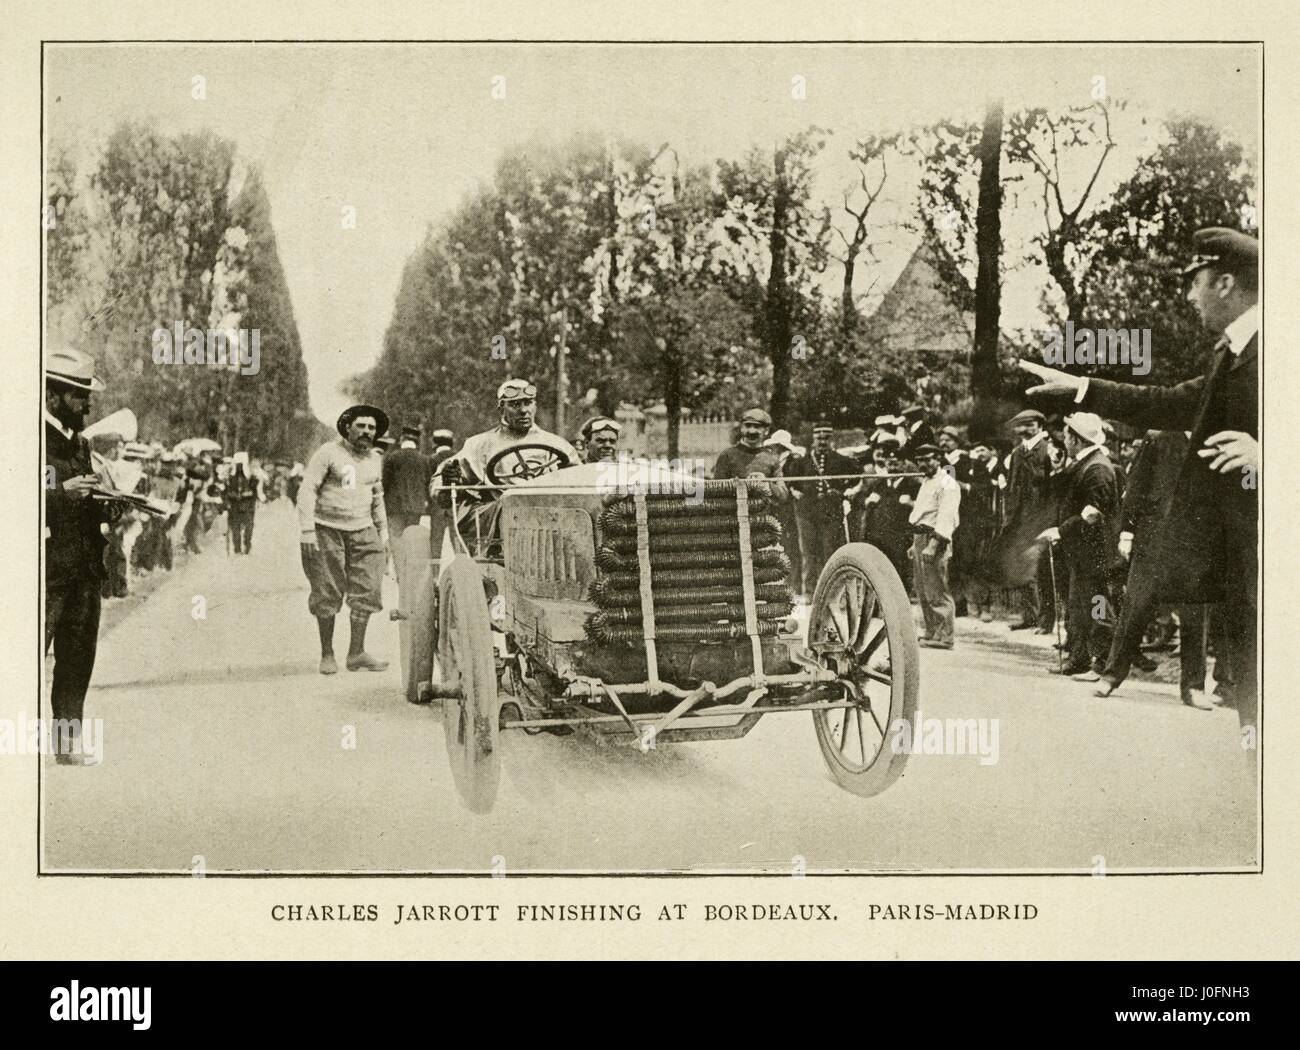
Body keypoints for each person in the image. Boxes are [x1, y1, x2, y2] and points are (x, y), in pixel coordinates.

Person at [1021, 226, 1258, 738]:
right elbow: (1167, 403)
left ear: (1224, 283)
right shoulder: (1231, 353)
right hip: (1238, 565)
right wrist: (1081, 388)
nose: (1188, 295)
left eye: (1194, 281)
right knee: (1257, 731)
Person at [44, 348, 119, 765]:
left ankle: (67, 744)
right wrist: (61, 494)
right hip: (45, 570)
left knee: (76, 660)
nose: (87, 406)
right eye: (78, 397)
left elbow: (84, 497)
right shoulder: (26, 436)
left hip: (84, 568)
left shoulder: (82, 443)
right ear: (52, 396)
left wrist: (110, 503)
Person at [1094, 430, 1207, 704]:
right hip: (1153, 537)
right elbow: (1136, 487)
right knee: (1136, 605)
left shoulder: (1215, 440)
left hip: (1197, 540)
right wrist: (1127, 532)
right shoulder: (1158, 439)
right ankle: (1111, 676)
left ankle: (1194, 688)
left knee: (1195, 614)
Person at [299, 404, 391, 675]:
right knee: (327, 590)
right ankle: (327, 654)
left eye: (371, 428)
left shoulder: (374, 458)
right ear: (348, 427)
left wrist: (382, 534)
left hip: (363, 530)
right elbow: (307, 489)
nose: (366, 432)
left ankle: (356, 653)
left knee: (369, 588)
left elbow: (377, 499)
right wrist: (307, 529)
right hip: (328, 529)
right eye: (361, 426)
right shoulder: (328, 453)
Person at [437, 380, 577, 555]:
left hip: (549, 515)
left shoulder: (557, 445)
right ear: (501, 408)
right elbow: (442, 483)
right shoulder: (480, 445)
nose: (523, 410)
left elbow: (578, 476)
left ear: (535, 405)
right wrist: (449, 475)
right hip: (499, 519)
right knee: (510, 505)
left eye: (528, 403)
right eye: (515, 404)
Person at [1036, 413, 1121, 679]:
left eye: (1066, 435)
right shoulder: (1085, 463)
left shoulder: (1097, 468)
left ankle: (1101, 662)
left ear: (1075, 438)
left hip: (1095, 551)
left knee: (1097, 603)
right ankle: (1079, 657)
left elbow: (1093, 513)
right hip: (1082, 550)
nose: (1064, 440)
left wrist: (1061, 531)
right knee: (1079, 603)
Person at [786, 423, 859, 601]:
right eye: (819, 438)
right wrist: (796, 492)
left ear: (831, 439)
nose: (822, 442)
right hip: (806, 513)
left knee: (830, 551)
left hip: (831, 513)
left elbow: (857, 478)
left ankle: (831, 592)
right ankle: (810, 593)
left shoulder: (841, 460)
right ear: (813, 439)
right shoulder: (801, 462)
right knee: (808, 553)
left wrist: (845, 492)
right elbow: (789, 480)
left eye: (826, 438)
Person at [1001, 408, 1055, 632]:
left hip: (1041, 517)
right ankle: (1029, 615)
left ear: (1040, 426)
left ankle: (1046, 619)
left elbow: (1052, 486)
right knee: (1023, 566)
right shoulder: (1016, 453)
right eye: (1020, 425)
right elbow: (1012, 487)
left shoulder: (1048, 450)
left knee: (1043, 570)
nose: (1024, 429)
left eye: (1030, 424)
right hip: (1019, 518)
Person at [908, 443, 962, 649]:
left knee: (936, 589)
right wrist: (916, 544)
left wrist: (933, 544)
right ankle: (932, 632)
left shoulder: (947, 482)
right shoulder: (926, 481)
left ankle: (946, 636)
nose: (924, 463)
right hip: (920, 536)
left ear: (938, 459)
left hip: (935, 539)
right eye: (920, 460)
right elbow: (923, 512)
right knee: (922, 589)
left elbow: (946, 516)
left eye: (928, 459)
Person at [382, 424, 433, 541]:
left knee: (396, 539)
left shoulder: (392, 458)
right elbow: (428, 485)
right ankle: (411, 560)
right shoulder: (424, 460)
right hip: (416, 506)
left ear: (402, 439)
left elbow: (385, 483)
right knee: (412, 540)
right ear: (416, 442)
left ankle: (399, 560)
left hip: (395, 507)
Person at [711, 408, 771, 479]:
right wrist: (732, 486)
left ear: (766, 430)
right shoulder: (727, 456)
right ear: (741, 428)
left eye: (757, 427)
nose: (751, 431)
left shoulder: (771, 458)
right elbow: (716, 487)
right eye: (748, 426)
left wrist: (767, 483)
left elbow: (782, 489)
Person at [226, 451, 262, 555]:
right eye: (238, 465)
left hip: (247, 506)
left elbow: (254, 493)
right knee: (236, 528)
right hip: (235, 506)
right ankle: (237, 549)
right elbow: (228, 492)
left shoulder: (251, 478)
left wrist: (246, 495)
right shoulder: (231, 478)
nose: (239, 467)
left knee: (248, 528)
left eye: (241, 465)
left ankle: (247, 545)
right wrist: (232, 496)